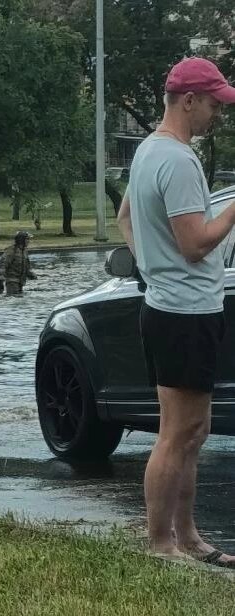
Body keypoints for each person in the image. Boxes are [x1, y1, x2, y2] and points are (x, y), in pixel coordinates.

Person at [116, 57, 235, 567]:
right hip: (186, 314)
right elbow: (194, 244)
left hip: (171, 306)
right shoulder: (179, 161)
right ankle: (162, 546)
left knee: (193, 430)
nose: (217, 115)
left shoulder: (148, 151)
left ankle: (187, 536)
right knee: (176, 435)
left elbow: (125, 218)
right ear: (188, 100)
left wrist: (151, 267)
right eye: (213, 104)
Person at [3, 230, 35, 295]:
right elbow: (3, 264)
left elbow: (26, 266)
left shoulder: (24, 251)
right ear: (21, 240)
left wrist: (31, 275)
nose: (29, 241)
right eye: (27, 239)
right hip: (12, 282)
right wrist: (1, 276)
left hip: (21, 281)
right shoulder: (11, 250)